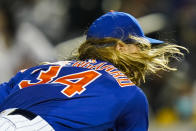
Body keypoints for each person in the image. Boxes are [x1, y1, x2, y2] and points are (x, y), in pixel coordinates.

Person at [0, 11, 187, 131]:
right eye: (139, 45)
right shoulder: (128, 92)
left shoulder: (42, 69)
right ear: (120, 47)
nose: (144, 51)